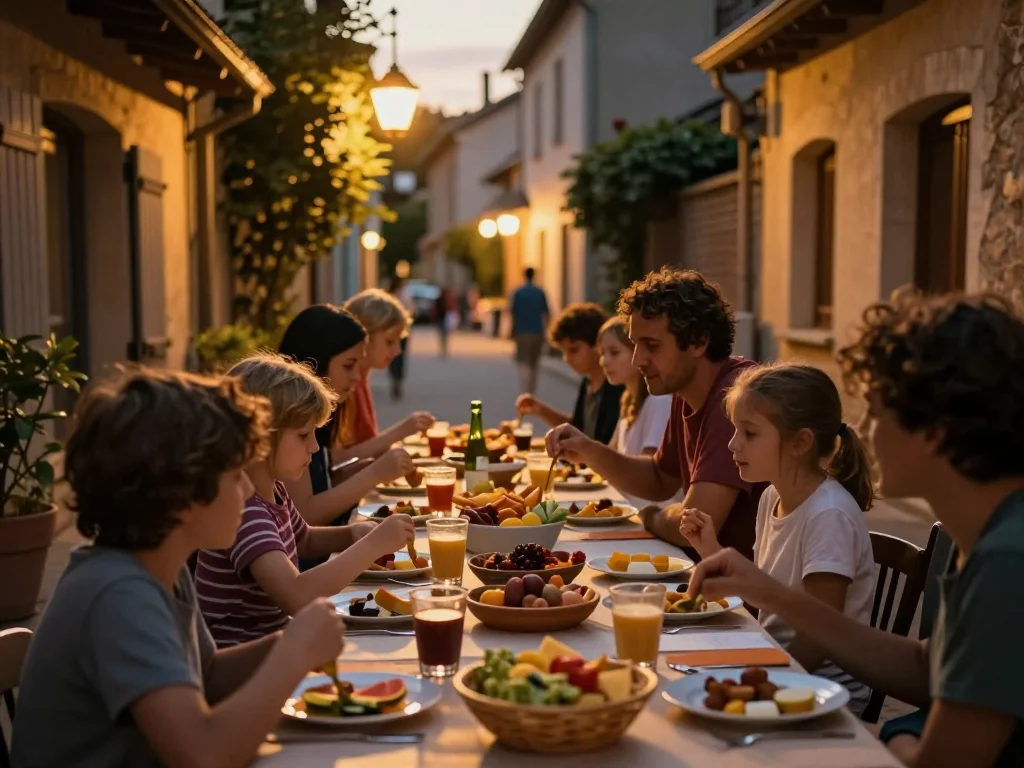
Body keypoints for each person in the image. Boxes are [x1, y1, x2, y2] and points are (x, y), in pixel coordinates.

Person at [687, 291, 1024, 768]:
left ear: (933, 429)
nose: (863, 427)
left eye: (878, 410)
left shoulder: (1008, 561)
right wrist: (773, 593)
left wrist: (892, 734)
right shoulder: (985, 536)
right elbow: (926, 667)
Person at [10, 369, 346, 768]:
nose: (245, 489)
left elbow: (208, 673)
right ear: (182, 493)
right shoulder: (118, 595)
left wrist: (284, 645)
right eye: (235, 473)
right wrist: (293, 653)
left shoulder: (158, 564)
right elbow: (204, 755)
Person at [680, 363, 876, 714]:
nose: (732, 443)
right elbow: (767, 603)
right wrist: (710, 550)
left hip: (821, 693)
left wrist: (754, 683)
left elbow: (820, 634)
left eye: (750, 433)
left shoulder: (828, 515)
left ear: (801, 442)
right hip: (775, 662)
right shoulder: (771, 496)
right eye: (735, 429)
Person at [195, 353, 416, 647]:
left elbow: (304, 540)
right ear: (259, 437)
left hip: (276, 646)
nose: (313, 447)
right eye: (303, 435)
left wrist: (351, 534)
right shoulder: (244, 513)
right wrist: (373, 545)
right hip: (246, 665)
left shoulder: (274, 488)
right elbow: (295, 595)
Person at [546, 268, 765, 559]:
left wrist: (649, 517)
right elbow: (660, 477)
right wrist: (588, 451)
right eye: (635, 345)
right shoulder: (684, 390)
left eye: (651, 346)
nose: (638, 361)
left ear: (699, 342)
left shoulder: (735, 396)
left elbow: (695, 523)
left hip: (747, 596)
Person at [277, 304, 415, 532]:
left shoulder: (322, 411)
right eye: (349, 366)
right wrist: (374, 474)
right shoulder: (291, 417)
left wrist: (357, 469)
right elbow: (305, 514)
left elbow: (321, 479)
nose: (356, 377)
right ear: (315, 359)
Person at [596, 315, 682, 510]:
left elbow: (650, 472)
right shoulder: (627, 400)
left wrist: (589, 451)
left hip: (652, 514)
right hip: (625, 507)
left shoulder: (659, 402)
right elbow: (610, 456)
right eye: (602, 353)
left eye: (614, 353)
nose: (604, 361)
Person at [338, 289, 435, 460]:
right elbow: (337, 462)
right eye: (390, 341)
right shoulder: (344, 386)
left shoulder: (362, 379)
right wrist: (400, 432)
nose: (397, 351)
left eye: (399, 342)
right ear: (364, 337)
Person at [517, 302, 623, 445]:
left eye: (574, 350)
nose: (566, 359)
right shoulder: (587, 383)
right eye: (563, 352)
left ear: (598, 345)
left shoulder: (616, 388)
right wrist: (541, 410)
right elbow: (578, 429)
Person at [509, 267, 550, 395]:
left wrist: (512, 331)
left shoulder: (518, 292)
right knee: (534, 363)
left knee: (523, 362)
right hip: (537, 331)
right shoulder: (540, 292)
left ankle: (525, 390)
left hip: (522, 331)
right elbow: (547, 313)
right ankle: (532, 391)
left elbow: (513, 314)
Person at [386, 274, 414, 401]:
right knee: (400, 355)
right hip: (402, 331)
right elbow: (411, 310)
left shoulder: (389, 295)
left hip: (390, 331)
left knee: (393, 356)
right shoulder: (404, 294)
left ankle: (394, 378)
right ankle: (398, 378)